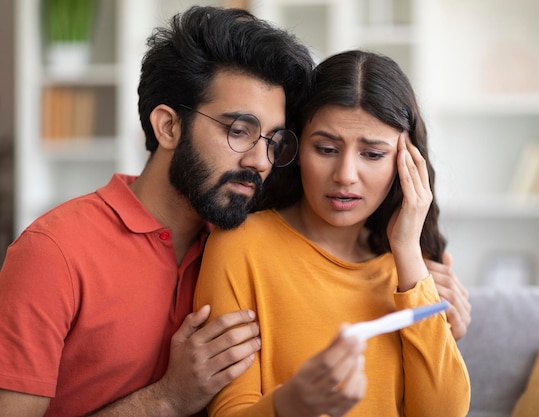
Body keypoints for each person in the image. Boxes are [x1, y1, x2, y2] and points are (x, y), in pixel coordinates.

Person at [0, 6, 315, 416]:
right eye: (239, 131)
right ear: (168, 127)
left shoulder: (243, 246)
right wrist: (167, 398)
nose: (261, 161)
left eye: (273, 140)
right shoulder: (53, 253)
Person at [194, 50, 471, 416]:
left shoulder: (409, 272)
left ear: (406, 165)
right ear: (294, 148)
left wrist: (407, 251)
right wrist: (291, 403)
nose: (345, 175)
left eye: (372, 154)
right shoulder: (241, 246)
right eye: (325, 148)